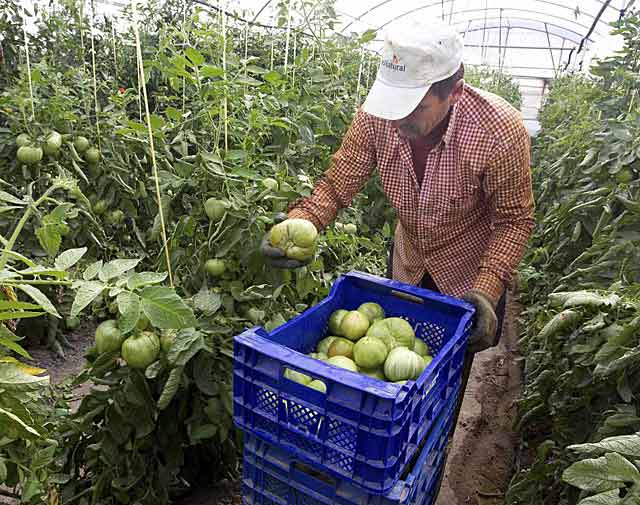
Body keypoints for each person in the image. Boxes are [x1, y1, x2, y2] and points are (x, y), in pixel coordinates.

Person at [261, 19, 535, 353]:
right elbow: (337, 185)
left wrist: (486, 291)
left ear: (455, 92)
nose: (397, 118)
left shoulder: (497, 130)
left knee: (447, 373)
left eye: (416, 107)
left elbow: (513, 220)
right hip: (409, 263)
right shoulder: (377, 115)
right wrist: (301, 222)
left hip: (468, 274)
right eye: (393, 102)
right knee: (396, 359)